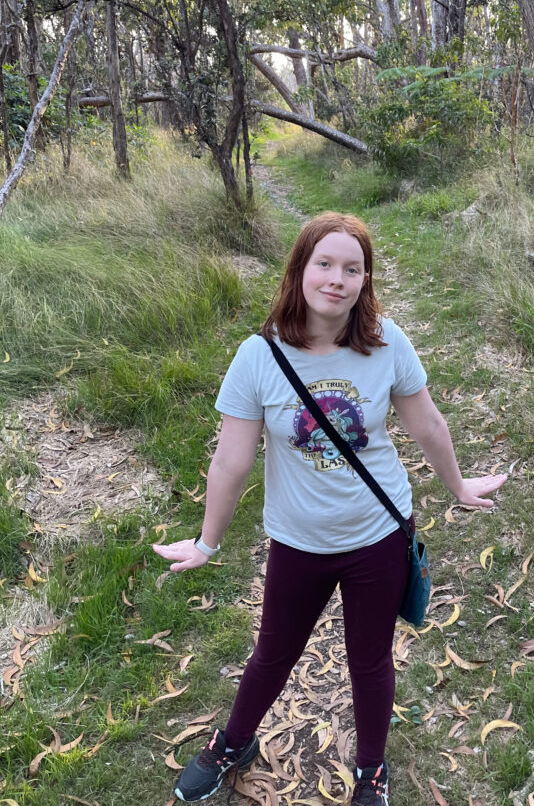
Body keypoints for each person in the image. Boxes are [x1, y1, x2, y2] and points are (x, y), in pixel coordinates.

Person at [153, 211, 506, 804]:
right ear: (300, 270)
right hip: (299, 541)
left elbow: (427, 423)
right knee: (273, 653)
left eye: (353, 269)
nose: (337, 279)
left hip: (379, 534)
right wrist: (208, 541)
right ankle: (231, 742)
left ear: (365, 281)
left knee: (370, 662)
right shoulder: (257, 357)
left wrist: (459, 486)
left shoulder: (386, 343)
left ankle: (371, 769)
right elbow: (231, 462)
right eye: (325, 264)